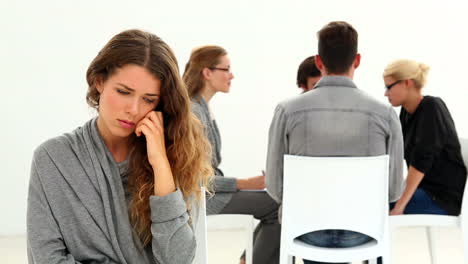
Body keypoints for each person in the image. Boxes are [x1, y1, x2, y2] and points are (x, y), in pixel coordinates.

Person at [27, 29, 213, 264]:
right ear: (99, 81)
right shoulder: (53, 159)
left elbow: (178, 259)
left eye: (148, 99)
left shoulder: (175, 155)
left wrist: (160, 165)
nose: (133, 109)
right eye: (124, 92)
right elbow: (46, 258)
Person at [265, 21, 404, 264]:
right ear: (357, 60)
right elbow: (393, 190)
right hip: (363, 234)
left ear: (319, 62)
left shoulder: (287, 111)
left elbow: (275, 187)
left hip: (306, 233)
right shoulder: (385, 114)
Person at [183, 45, 281, 264]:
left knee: (275, 204)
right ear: (207, 73)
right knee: (276, 206)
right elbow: (196, 178)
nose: (232, 75)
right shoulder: (193, 113)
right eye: (226, 69)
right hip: (200, 196)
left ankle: (247, 259)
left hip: (209, 191)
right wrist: (245, 183)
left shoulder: (202, 108)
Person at [383, 59, 467, 216]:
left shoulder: (432, 108)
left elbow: (421, 162)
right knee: (377, 198)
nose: (385, 93)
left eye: (389, 87)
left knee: (377, 205)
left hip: (442, 198)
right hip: (424, 190)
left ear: (407, 83)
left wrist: (400, 206)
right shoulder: (406, 113)